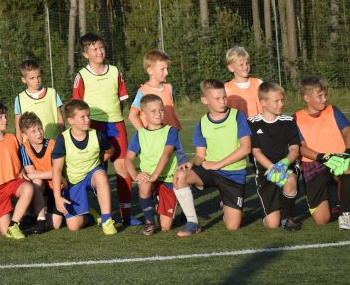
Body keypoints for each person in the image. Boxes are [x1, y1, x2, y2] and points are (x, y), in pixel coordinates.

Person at [174, 80, 252, 232]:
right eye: (217, 98)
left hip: (233, 175)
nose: (222, 101)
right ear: (205, 100)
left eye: (224, 97)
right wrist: (191, 163)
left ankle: (226, 204)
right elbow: (200, 156)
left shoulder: (238, 116)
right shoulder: (202, 123)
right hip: (211, 171)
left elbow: (246, 148)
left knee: (232, 227)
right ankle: (192, 222)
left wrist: (219, 164)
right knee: (180, 175)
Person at [71, 33, 132, 223]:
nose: (99, 51)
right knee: (99, 170)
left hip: (116, 125)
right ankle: (105, 213)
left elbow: (121, 100)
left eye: (101, 47)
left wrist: (115, 118)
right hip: (93, 127)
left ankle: (126, 214)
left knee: (123, 168)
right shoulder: (81, 76)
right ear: (85, 54)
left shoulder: (115, 71)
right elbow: (77, 106)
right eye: (94, 49)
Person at [124, 94, 189, 235]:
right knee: (144, 183)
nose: (158, 114)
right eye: (153, 111)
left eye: (160, 110)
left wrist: (155, 176)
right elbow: (128, 159)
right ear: (144, 114)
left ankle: (180, 207)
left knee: (165, 228)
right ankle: (149, 222)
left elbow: (166, 155)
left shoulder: (170, 131)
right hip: (150, 177)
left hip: (168, 179)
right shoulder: (140, 134)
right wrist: (136, 176)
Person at [50, 100, 118, 234]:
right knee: (74, 225)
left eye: (88, 116)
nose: (87, 120)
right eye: (82, 117)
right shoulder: (62, 139)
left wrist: (98, 162)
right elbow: (56, 170)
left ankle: (107, 220)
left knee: (101, 175)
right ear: (71, 120)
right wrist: (57, 197)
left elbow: (110, 150)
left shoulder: (97, 135)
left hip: (92, 174)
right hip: (73, 181)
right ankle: (91, 216)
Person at [295, 76, 350, 226]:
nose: (324, 99)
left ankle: (346, 214)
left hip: (338, 159)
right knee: (322, 220)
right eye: (319, 96)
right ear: (306, 98)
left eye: (325, 95)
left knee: (348, 166)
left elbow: (347, 130)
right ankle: (336, 206)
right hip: (314, 164)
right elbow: (301, 148)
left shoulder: (333, 110)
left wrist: (348, 151)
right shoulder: (297, 118)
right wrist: (323, 157)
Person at [250, 82, 301, 231]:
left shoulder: (289, 121)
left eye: (282, 100)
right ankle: (271, 211)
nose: (281, 104)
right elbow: (256, 152)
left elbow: (294, 149)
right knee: (272, 224)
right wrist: (272, 168)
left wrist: (283, 164)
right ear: (263, 102)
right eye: (276, 101)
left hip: (285, 168)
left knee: (290, 178)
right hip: (266, 172)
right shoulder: (252, 123)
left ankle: (288, 217)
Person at [0, 102, 35, 240]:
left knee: (28, 188)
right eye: (0, 117)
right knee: (4, 232)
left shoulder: (12, 138)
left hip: (14, 182)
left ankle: (14, 224)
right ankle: (10, 225)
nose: (5, 119)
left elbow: (19, 158)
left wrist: (22, 169)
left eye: (5, 116)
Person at [128, 50, 182, 134]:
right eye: (162, 69)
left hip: (171, 135)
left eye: (167, 69)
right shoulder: (143, 91)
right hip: (154, 137)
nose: (167, 73)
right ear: (150, 71)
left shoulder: (169, 88)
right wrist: (144, 134)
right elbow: (132, 116)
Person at [19, 112, 57, 231]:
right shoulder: (24, 148)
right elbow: (32, 175)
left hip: (57, 185)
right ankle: (37, 217)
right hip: (41, 185)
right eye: (33, 131)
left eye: (40, 128)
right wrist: (33, 174)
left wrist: (31, 174)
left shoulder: (52, 144)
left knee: (54, 225)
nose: (39, 133)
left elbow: (56, 172)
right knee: (35, 182)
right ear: (25, 135)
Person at [13, 59, 63, 141]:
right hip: (31, 147)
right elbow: (18, 126)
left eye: (38, 76)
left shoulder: (52, 93)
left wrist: (62, 140)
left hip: (53, 143)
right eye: (32, 78)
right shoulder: (19, 99)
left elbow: (60, 119)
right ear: (23, 79)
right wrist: (20, 146)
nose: (36, 80)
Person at [224, 46, 264, 119]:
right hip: (238, 128)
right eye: (241, 65)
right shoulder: (226, 88)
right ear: (231, 68)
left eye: (247, 63)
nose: (245, 67)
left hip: (259, 128)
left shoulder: (258, 83)